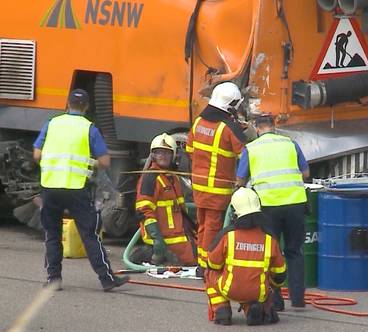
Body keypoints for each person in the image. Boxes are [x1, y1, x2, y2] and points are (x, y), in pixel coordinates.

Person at [33, 88, 129, 291]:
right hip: (76, 189)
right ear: (86, 106)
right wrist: (90, 164)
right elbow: (105, 161)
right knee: (90, 234)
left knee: (52, 234)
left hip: (50, 187)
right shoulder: (89, 128)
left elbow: (37, 154)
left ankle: (53, 280)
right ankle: (106, 279)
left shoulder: (52, 123)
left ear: (67, 103)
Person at [236, 114, 309, 311]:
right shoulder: (290, 144)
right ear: (274, 126)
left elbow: (240, 180)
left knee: (270, 252)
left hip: (268, 207)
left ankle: (276, 301)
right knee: (295, 251)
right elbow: (305, 173)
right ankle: (298, 300)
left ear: (257, 128)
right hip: (295, 203)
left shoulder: (251, 148)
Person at [186, 82, 246, 275]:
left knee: (202, 225)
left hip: (199, 186)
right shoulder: (228, 128)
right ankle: (207, 267)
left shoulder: (198, 122)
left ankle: (201, 263)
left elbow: (189, 150)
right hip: (218, 190)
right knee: (212, 227)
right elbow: (245, 155)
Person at [205, 187, 286, 325]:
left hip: (229, 289)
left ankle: (221, 309)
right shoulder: (269, 238)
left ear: (235, 212)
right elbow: (279, 275)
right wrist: (272, 290)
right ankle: (254, 309)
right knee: (265, 283)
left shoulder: (227, 236)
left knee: (209, 273)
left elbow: (213, 264)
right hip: (258, 293)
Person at [132, 133, 196, 266]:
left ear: (173, 155)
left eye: (167, 153)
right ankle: (148, 254)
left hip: (178, 238)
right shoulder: (150, 178)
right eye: (159, 152)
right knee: (200, 261)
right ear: (153, 155)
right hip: (166, 241)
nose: (163, 156)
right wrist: (157, 239)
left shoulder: (173, 178)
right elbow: (144, 211)